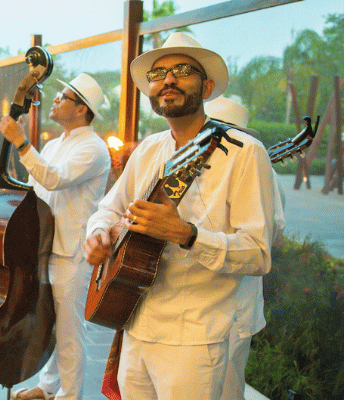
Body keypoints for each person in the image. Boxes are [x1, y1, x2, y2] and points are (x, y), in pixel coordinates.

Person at [83, 33, 281, 400]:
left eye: (182, 71)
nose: (168, 80)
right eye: (158, 74)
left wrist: (187, 234)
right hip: (136, 320)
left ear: (206, 87)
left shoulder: (244, 154)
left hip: (197, 336)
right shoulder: (150, 149)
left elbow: (258, 253)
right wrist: (98, 235)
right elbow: (109, 208)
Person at [0, 73, 111, 400]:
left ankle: (69, 395)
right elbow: (39, 191)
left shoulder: (93, 148)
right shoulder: (56, 143)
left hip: (71, 251)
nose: (55, 100)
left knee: (70, 330)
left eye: (62, 97)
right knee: (51, 323)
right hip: (45, 246)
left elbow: (53, 179)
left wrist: (20, 142)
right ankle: (47, 388)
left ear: (81, 110)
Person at [204, 96, 286, 400]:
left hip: (235, 304)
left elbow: (265, 240)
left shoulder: (257, 166)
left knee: (226, 389)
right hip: (201, 306)